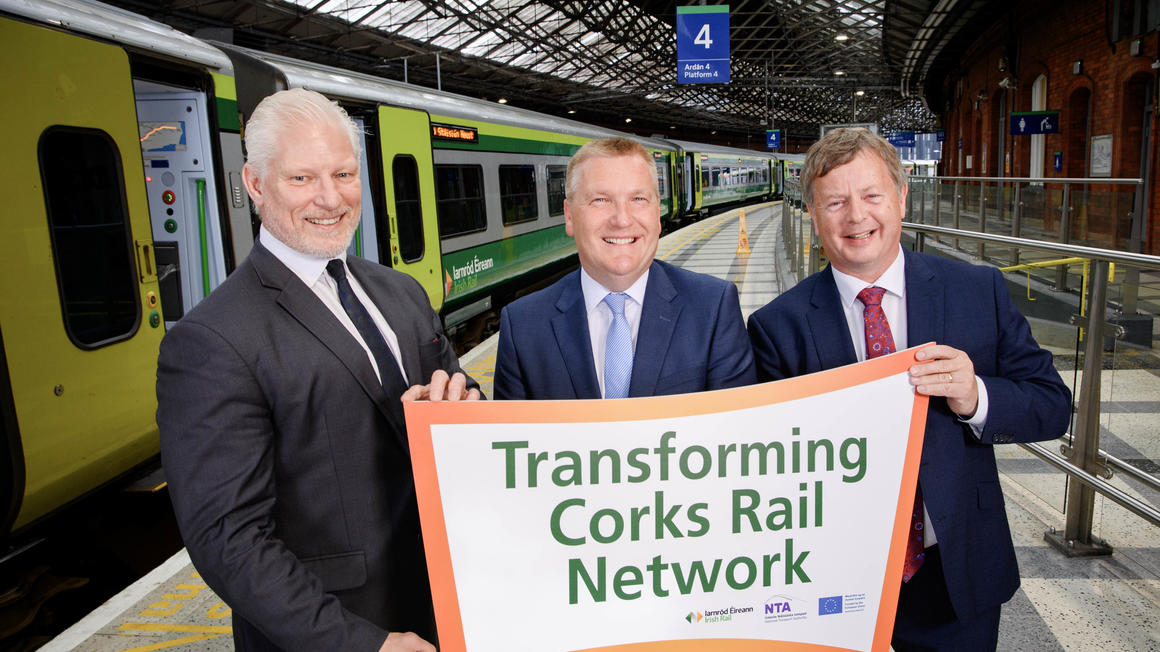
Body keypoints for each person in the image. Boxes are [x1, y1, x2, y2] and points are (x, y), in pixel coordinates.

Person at [156, 88, 479, 652]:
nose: (331, 199)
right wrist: (361, 643)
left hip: (445, 600)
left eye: (344, 174)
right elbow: (229, 539)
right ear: (256, 184)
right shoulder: (211, 340)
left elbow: (461, 394)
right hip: (335, 629)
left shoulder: (399, 291)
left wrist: (464, 404)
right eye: (302, 179)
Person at [746, 128, 1070, 651]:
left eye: (872, 195)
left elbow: (1054, 406)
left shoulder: (976, 291)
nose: (856, 217)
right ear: (811, 211)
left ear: (901, 197)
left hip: (954, 568)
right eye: (835, 202)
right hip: (833, 580)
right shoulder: (776, 326)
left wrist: (975, 397)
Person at [493, 137, 755, 399]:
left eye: (638, 198)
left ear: (657, 212)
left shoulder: (713, 308)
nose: (622, 219)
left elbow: (737, 429)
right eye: (600, 200)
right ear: (569, 216)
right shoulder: (522, 327)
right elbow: (509, 437)